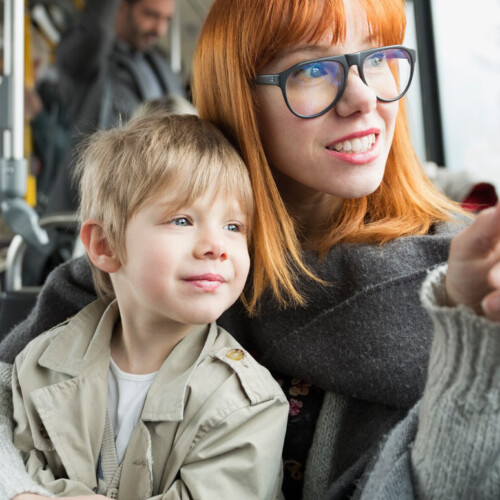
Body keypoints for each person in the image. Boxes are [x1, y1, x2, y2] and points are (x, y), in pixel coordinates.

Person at [1, 0, 500, 499]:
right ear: (241, 98)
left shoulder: (465, 283)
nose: (362, 98)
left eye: (379, 59)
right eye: (314, 69)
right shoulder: (133, 272)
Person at [10, 112, 288, 499]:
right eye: (181, 220)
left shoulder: (248, 404)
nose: (216, 246)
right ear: (106, 245)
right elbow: (14, 471)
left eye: (234, 227)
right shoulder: (39, 366)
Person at [46, 0, 186, 213]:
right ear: (121, 7)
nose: (160, 29)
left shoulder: (162, 68)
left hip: (155, 203)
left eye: (166, 19)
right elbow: (97, 32)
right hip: (96, 205)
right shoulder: (90, 63)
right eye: (150, 15)